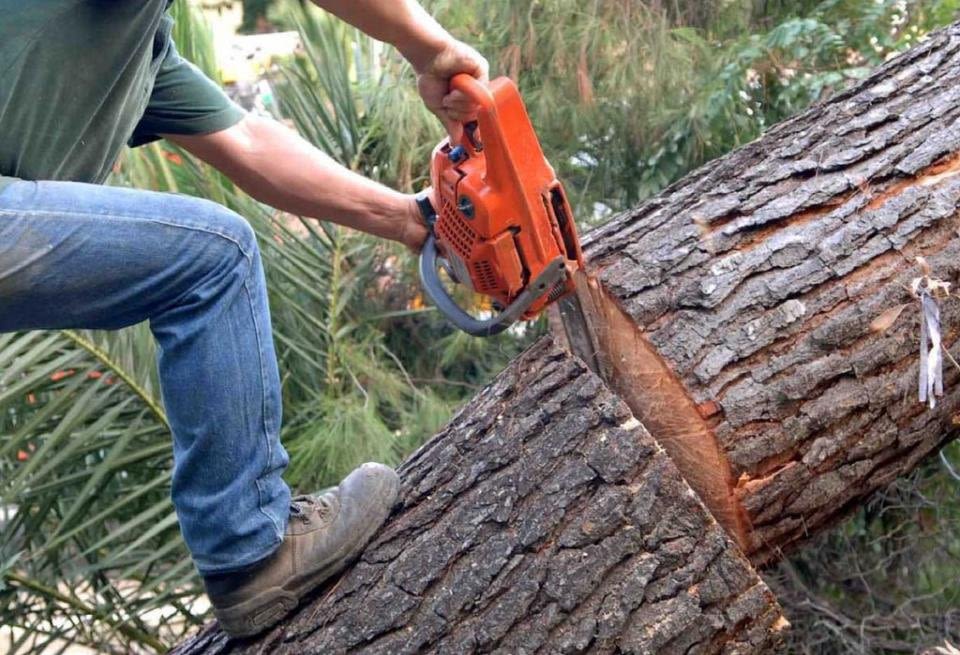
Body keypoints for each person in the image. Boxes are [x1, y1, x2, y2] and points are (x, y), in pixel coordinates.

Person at [0, 0, 488, 638]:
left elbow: (250, 144)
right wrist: (430, 48)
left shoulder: (137, 49)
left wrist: (411, 220)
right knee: (213, 258)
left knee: (210, 256)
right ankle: (251, 552)